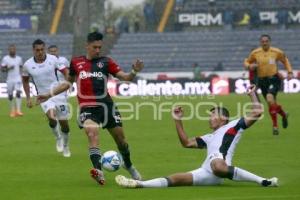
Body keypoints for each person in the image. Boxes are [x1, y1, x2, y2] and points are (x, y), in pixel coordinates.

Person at [115, 85, 278, 188]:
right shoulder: (208, 137)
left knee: (217, 164)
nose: (210, 117)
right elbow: (186, 143)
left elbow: (257, 112)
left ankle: (263, 181)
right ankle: (138, 184)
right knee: (177, 179)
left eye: (213, 114)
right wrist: (178, 121)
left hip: (220, 166)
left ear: (223, 118)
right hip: (208, 172)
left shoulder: (233, 126)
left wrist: (252, 95)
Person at [37, 32, 144, 185]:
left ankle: (128, 164)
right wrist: (49, 94)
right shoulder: (76, 62)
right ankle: (98, 171)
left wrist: (134, 71)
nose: (98, 50)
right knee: (92, 133)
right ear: (87, 45)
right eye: (95, 47)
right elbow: (68, 83)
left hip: (107, 106)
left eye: (100, 47)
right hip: (87, 107)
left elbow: (125, 78)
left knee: (121, 141)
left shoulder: (106, 62)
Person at [22, 39, 71, 157]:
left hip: (58, 93)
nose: (40, 52)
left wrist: (68, 83)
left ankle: (66, 145)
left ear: (44, 49)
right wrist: (28, 98)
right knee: (52, 117)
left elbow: (65, 71)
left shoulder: (53, 59)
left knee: (64, 123)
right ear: (33, 50)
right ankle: (58, 137)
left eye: (42, 49)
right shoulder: (27, 65)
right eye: (37, 50)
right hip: (43, 97)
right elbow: (25, 81)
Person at [244, 34, 293, 135]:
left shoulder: (276, 52)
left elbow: (285, 60)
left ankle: (275, 127)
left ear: (269, 42)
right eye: (263, 41)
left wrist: (289, 72)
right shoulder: (256, 53)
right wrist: (250, 66)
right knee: (271, 104)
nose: (265, 43)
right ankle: (283, 115)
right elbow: (246, 61)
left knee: (270, 98)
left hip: (273, 79)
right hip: (262, 81)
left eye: (266, 41)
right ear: (260, 42)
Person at [1, 44, 23, 117]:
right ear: (9, 50)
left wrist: (22, 76)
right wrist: (8, 68)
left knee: (18, 92)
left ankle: (18, 111)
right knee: (10, 95)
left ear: (15, 50)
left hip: (18, 78)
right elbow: (2, 69)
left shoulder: (19, 58)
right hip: (9, 79)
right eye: (11, 49)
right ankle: (12, 111)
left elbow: (21, 67)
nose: (12, 50)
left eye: (13, 49)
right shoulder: (5, 59)